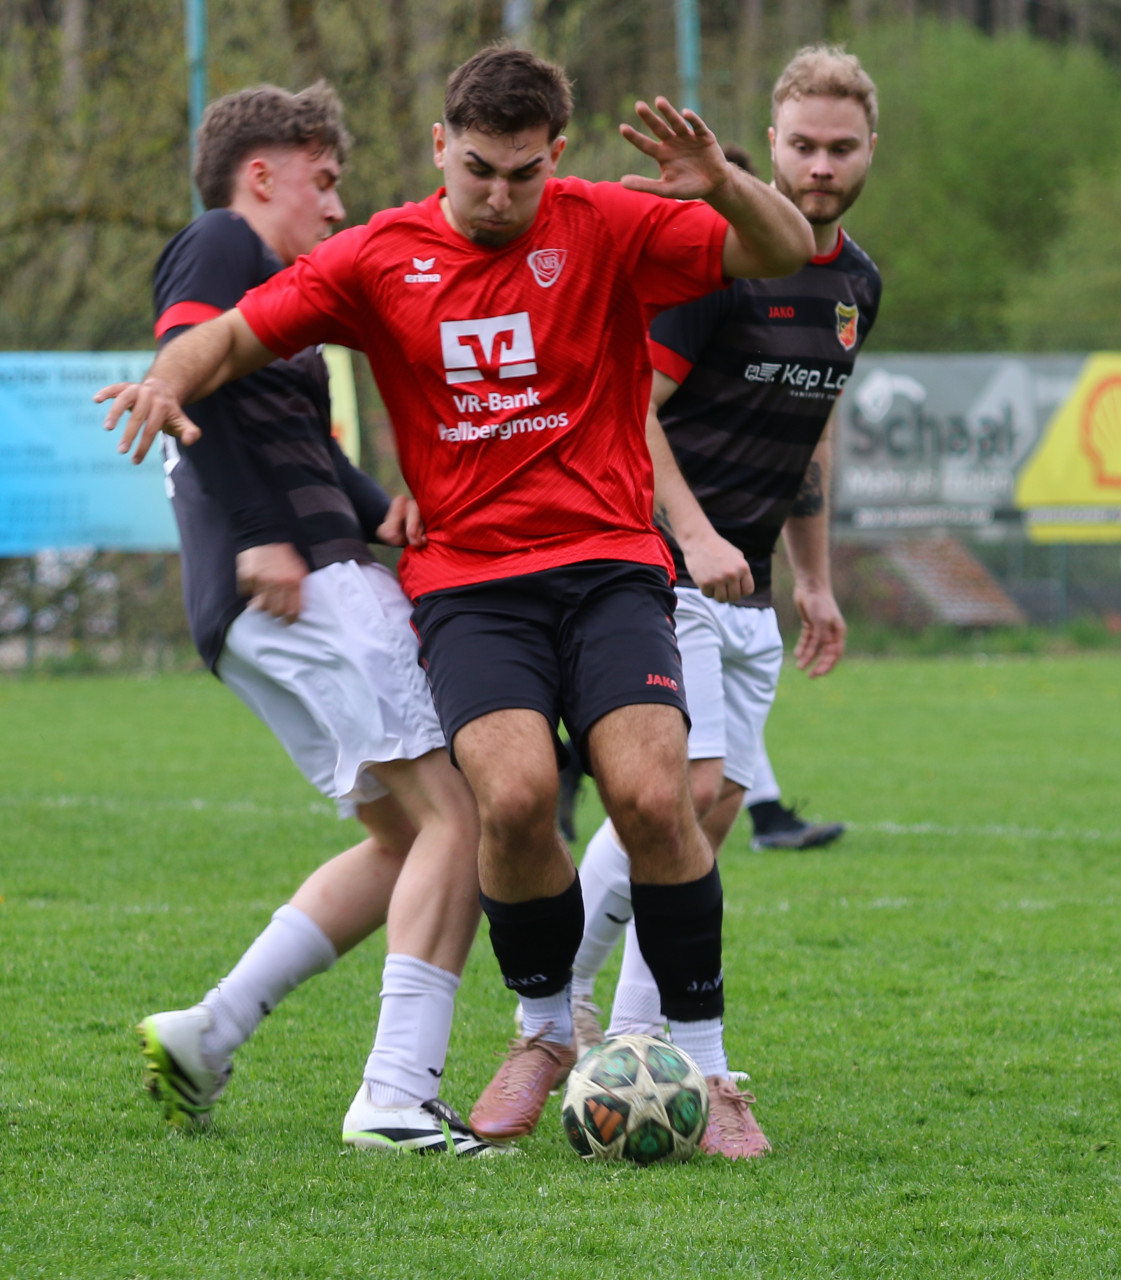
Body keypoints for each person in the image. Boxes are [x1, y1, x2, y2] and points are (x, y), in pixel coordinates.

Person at [97, 46, 814, 1160]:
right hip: (471, 586)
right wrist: (166, 379)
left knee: (651, 796)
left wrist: (722, 181)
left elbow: (783, 250)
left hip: (610, 563)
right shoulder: (377, 254)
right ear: (440, 146)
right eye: (477, 168)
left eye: (523, 173)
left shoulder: (606, 222)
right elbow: (233, 332)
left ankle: (712, 1069)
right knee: (514, 801)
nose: (498, 194)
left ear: (555, 156)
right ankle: (543, 1031)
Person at [129, 83, 492, 1156]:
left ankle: (210, 1030)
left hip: (285, 590)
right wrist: (258, 534)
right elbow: (189, 382)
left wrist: (385, 513)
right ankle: (394, 1097)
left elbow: (303, 446)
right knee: (460, 819)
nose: (336, 206)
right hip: (299, 585)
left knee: (403, 839)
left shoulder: (282, 302)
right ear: (260, 174)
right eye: (323, 181)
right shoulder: (219, 241)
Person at [571, 45, 880, 1072]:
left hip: (750, 583)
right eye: (804, 145)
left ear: (869, 150)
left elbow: (811, 432)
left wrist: (814, 580)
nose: (821, 166)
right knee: (685, 790)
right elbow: (632, 406)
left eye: (841, 148)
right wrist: (694, 532)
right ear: (773, 142)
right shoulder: (719, 264)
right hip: (661, 563)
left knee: (713, 809)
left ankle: (626, 1034)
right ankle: (564, 1007)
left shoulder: (859, 283)